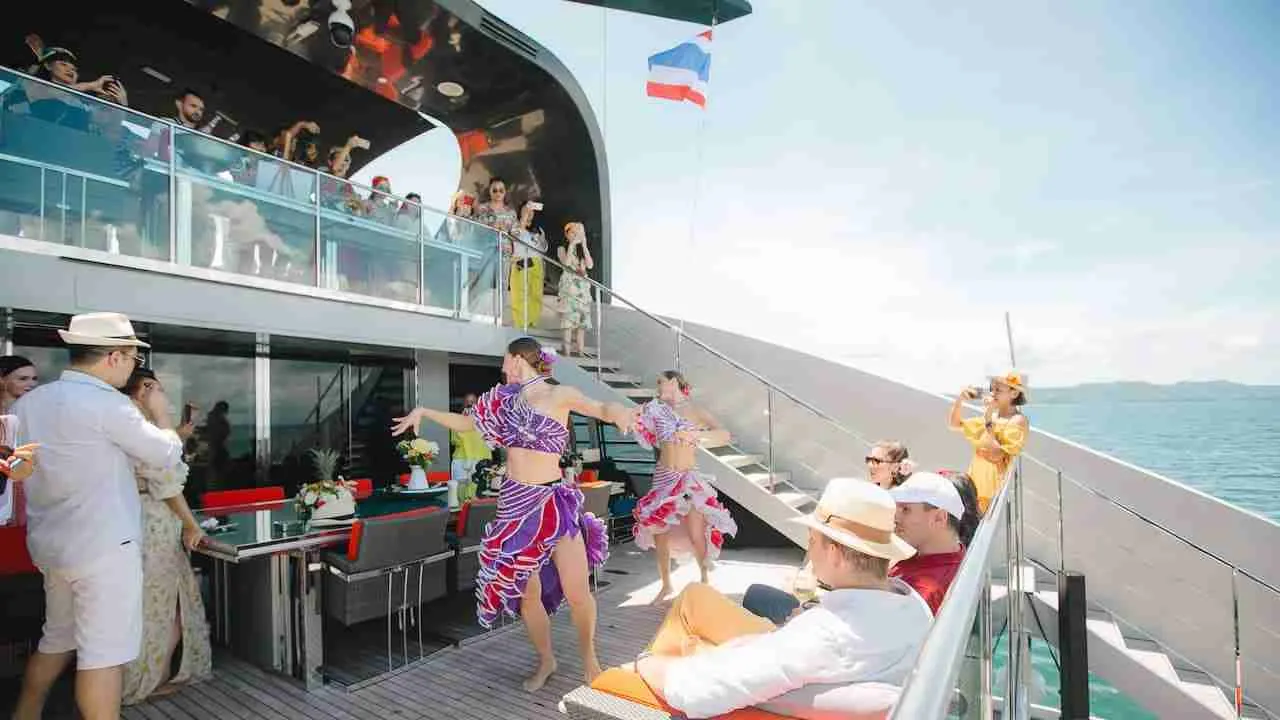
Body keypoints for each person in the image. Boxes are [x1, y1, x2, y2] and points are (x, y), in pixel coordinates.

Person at [391, 337, 637, 691]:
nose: (502, 369)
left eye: (505, 361)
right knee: (528, 595)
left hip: (552, 503)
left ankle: (590, 659)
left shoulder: (558, 394)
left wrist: (622, 413)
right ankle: (546, 660)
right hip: (514, 505)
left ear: (518, 358)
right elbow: (466, 424)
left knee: (578, 590)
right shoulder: (503, 401)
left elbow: (600, 408)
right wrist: (424, 412)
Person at [632, 479, 930, 718]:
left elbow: (696, 692)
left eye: (812, 543)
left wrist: (646, 662)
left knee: (657, 658)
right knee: (696, 598)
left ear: (835, 553)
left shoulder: (823, 634)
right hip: (804, 671)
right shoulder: (913, 606)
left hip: (746, 687)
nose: (809, 553)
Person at [13, 312, 185, 720]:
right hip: (104, 549)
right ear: (113, 356)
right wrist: (162, 415)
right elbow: (164, 455)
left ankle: (25, 714)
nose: (132, 366)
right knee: (103, 655)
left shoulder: (28, 403)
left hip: (52, 546)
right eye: (131, 357)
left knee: (56, 639)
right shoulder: (107, 404)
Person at [119, 368, 212, 704]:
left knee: (156, 604)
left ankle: (147, 676)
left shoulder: (128, 426)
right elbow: (167, 485)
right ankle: (147, 681)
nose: (163, 395)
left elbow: (167, 453)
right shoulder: (140, 429)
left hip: (140, 520)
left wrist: (184, 427)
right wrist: (191, 523)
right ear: (143, 389)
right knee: (162, 605)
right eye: (157, 388)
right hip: (156, 522)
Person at [632, 371, 737, 602]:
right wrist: (634, 416)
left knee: (696, 531)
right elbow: (636, 426)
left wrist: (698, 437)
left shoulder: (695, 411)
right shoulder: (654, 410)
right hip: (662, 478)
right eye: (657, 381)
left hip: (687, 477)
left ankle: (705, 581)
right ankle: (666, 585)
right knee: (660, 534)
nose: (657, 384)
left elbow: (724, 434)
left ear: (675, 382)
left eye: (661, 380)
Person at [888, 472, 974, 614]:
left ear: (939, 518)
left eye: (905, 510)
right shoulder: (936, 558)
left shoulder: (926, 593)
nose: (896, 518)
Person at [948, 371, 1029, 513]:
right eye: (992, 389)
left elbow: (997, 454)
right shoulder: (992, 417)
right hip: (974, 488)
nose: (993, 394)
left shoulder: (1017, 421)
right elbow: (954, 424)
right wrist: (960, 399)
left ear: (1014, 394)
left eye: (998, 390)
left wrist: (988, 417)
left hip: (992, 493)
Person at [507, 201, 548, 329]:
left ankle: (533, 321)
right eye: (526, 210)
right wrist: (523, 218)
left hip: (536, 262)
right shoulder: (515, 225)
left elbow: (544, 248)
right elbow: (516, 235)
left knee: (536, 293)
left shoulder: (538, 229)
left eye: (531, 211)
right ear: (520, 211)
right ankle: (520, 323)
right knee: (519, 293)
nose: (529, 212)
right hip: (521, 261)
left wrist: (541, 240)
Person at [557, 222, 595, 356]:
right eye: (573, 232)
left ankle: (581, 351)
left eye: (578, 233)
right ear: (567, 234)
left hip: (582, 290)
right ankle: (566, 351)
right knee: (568, 321)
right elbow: (566, 264)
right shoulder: (562, 248)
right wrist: (572, 245)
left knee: (581, 323)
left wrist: (584, 245)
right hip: (569, 287)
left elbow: (590, 265)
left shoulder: (581, 250)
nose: (576, 235)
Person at [449, 392, 491, 495]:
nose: (470, 405)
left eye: (472, 402)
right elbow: (454, 440)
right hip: (461, 460)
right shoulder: (456, 420)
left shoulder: (486, 420)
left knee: (479, 493)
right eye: (467, 403)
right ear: (463, 405)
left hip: (480, 460)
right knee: (459, 493)